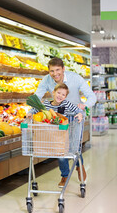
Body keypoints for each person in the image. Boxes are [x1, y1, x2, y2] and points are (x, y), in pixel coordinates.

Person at [30, 57, 96, 187]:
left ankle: (79, 164)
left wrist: (84, 106)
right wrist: (31, 111)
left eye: (58, 70)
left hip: (76, 116)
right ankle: (65, 175)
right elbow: (37, 97)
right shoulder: (46, 80)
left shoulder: (75, 78)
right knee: (60, 147)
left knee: (74, 146)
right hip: (59, 117)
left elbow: (91, 96)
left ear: (63, 69)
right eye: (52, 71)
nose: (55, 74)